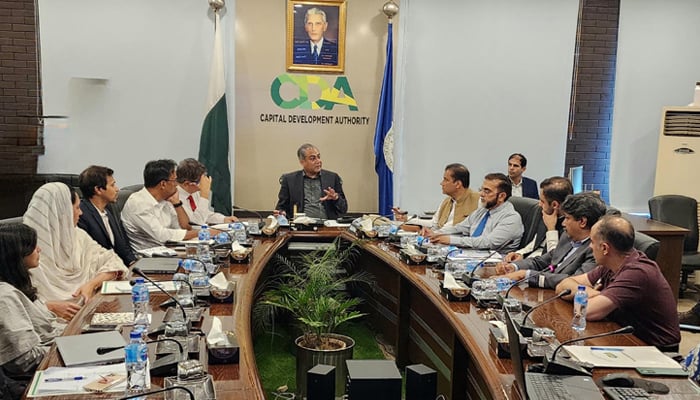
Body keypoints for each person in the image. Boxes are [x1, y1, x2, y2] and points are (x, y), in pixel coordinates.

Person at [556, 216, 681, 351]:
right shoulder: (611, 264)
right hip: (626, 336)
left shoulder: (637, 272)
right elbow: (563, 285)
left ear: (605, 248)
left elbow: (589, 311)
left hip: (655, 351)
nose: (590, 247)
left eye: (592, 242)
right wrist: (597, 294)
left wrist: (588, 294)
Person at [22, 182, 127, 321]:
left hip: (86, 311)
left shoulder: (76, 235)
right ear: (62, 212)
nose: (81, 212)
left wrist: (91, 284)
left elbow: (113, 261)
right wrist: (48, 307)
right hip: (47, 324)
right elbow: (14, 305)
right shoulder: (23, 246)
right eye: (77, 208)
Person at [495, 192, 606, 289]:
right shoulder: (566, 237)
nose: (563, 223)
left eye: (567, 218)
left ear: (582, 221)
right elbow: (541, 261)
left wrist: (526, 275)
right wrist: (514, 267)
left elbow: (575, 281)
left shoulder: (595, 249)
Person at [0, 223, 64, 380]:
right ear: (17, 253)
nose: (39, 249)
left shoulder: (17, 284)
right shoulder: (5, 297)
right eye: (33, 246)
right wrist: (70, 347)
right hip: (33, 377)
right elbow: (23, 360)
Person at [122, 159, 220, 250]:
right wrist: (199, 233)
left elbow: (183, 227)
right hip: (149, 258)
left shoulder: (165, 200)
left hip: (170, 250)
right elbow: (161, 235)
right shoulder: (138, 203)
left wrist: (177, 204)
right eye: (174, 181)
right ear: (163, 184)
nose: (177, 184)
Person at [428, 173, 523, 252]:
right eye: (481, 189)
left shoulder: (511, 218)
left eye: (487, 191)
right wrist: (436, 233)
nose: (481, 194)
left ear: (502, 196)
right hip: (470, 255)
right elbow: (460, 228)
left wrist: (450, 240)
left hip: (493, 264)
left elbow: (487, 243)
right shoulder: (483, 210)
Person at [392, 163, 480, 234]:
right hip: (441, 241)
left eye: (446, 180)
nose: (441, 183)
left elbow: (460, 228)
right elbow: (434, 224)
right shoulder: (447, 201)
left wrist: (435, 234)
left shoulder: (479, 200)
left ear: (457, 184)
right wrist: (407, 219)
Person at [77, 165, 136, 266]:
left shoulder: (109, 211)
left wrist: (135, 265)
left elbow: (123, 248)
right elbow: (89, 255)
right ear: (98, 190)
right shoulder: (81, 214)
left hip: (118, 268)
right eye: (112, 185)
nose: (117, 189)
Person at [504, 176, 573, 262]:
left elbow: (555, 260)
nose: (539, 204)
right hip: (530, 260)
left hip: (541, 268)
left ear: (555, 205)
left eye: (542, 201)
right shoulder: (547, 213)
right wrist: (520, 253)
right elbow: (536, 243)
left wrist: (551, 229)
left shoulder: (570, 226)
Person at [276, 143, 347, 219]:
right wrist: (282, 214)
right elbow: (281, 208)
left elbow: (343, 209)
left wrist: (336, 198)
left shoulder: (332, 178)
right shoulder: (290, 180)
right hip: (300, 227)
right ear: (302, 162)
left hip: (327, 225)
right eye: (313, 158)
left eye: (319, 157)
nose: (318, 161)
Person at [176, 158, 237, 226]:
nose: (204, 183)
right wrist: (204, 194)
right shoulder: (174, 198)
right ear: (187, 184)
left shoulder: (193, 192)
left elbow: (204, 214)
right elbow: (196, 223)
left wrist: (223, 219)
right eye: (200, 181)